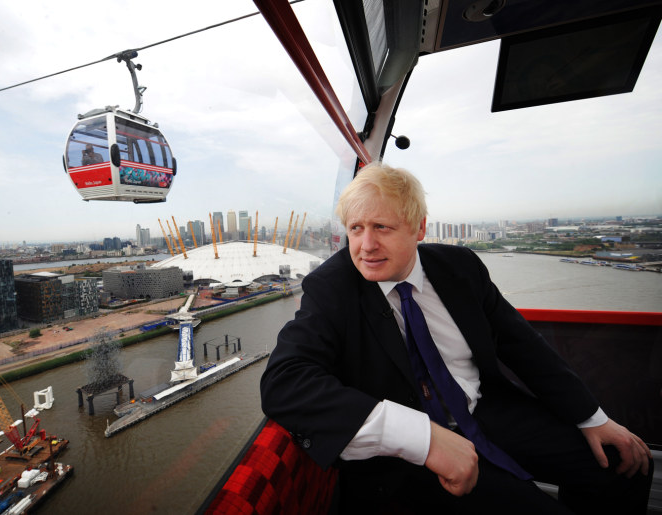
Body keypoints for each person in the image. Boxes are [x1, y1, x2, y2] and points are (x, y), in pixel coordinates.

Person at [260, 162, 653, 514]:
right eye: (356, 229)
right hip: (408, 456)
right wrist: (424, 437)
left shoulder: (460, 267)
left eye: (382, 227)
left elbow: (523, 345)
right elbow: (285, 383)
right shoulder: (332, 288)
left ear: (420, 228)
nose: (365, 246)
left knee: (628, 465)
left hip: (485, 409)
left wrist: (592, 417)